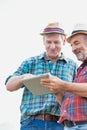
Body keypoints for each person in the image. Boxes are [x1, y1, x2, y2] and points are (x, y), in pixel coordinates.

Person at [5, 22, 77, 130]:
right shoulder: (30, 62)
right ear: (43, 41)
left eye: (56, 42)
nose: (52, 46)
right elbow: (9, 86)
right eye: (49, 42)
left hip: (60, 124)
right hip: (31, 123)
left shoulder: (73, 66)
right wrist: (23, 77)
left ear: (64, 41)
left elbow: (77, 97)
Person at [41, 23, 87, 130]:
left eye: (76, 43)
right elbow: (69, 104)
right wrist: (57, 91)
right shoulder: (80, 69)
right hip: (69, 126)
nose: (73, 49)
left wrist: (62, 85)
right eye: (72, 45)